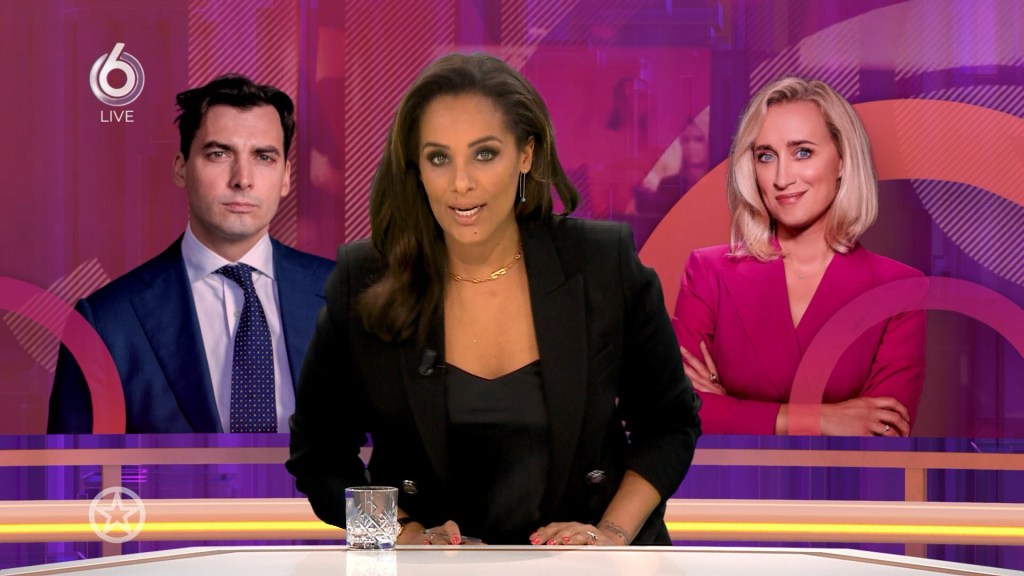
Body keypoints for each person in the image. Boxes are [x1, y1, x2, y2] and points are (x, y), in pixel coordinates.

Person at [286, 53, 701, 547]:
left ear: (526, 154)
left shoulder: (601, 264)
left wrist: (609, 535)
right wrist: (398, 533)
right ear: (416, 167)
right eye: (439, 158)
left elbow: (670, 423)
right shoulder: (366, 279)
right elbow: (319, 455)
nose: (461, 183)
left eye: (484, 154)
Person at [48, 74, 334, 433]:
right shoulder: (106, 323)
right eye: (219, 154)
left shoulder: (349, 299)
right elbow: (75, 467)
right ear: (181, 168)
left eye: (263, 157)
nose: (243, 179)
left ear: (286, 176)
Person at [674, 77, 926, 436]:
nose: (782, 178)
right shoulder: (708, 271)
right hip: (732, 474)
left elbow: (885, 429)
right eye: (766, 156)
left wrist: (729, 406)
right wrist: (821, 419)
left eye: (803, 152)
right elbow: (676, 410)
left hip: (842, 477)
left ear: (843, 160)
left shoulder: (899, 289)